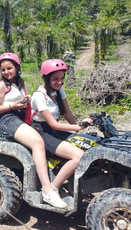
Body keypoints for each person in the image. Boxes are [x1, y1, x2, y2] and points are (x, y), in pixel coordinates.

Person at [0, 52, 68, 209]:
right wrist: (12, 106)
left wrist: (27, 101)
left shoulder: (20, 82)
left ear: (17, 68)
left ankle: (53, 177)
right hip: (7, 120)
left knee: (45, 137)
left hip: (20, 116)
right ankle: (47, 191)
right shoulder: (1, 85)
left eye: (9, 68)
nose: (6, 72)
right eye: (3, 70)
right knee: (38, 143)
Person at [30, 59, 92, 198]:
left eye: (62, 78)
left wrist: (79, 131)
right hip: (42, 130)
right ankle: (52, 189)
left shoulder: (59, 89)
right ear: (46, 78)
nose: (59, 82)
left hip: (54, 129)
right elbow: (53, 124)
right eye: (55, 79)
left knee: (87, 145)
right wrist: (78, 126)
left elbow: (67, 112)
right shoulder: (39, 96)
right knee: (78, 156)